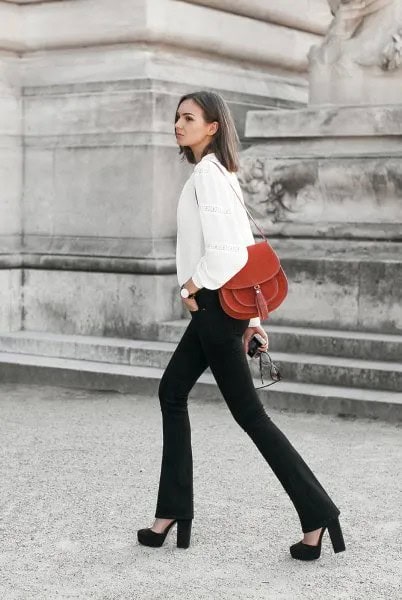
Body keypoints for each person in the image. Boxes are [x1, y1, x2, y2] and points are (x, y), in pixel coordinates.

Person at [137, 91, 346, 560]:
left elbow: (229, 255)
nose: (177, 124)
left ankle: (317, 513)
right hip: (220, 309)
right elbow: (246, 250)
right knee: (171, 392)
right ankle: (171, 512)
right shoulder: (218, 174)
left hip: (211, 308)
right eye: (176, 117)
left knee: (250, 416)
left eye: (188, 117)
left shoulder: (209, 175)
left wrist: (190, 286)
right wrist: (251, 317)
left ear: (212, 126)